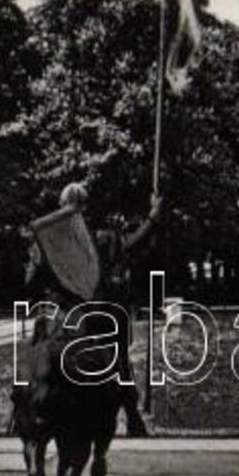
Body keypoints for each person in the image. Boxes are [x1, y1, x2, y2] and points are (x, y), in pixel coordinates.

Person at [25, 181, 163, 436]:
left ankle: (22, 404)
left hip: (59, 312)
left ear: (61, 206)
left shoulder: (46, 242)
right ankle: (132, 413)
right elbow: (133, 243)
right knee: (120, 360)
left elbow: (29, 282)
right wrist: (153, 216)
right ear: (84, 207)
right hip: (93, 314)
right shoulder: (101, 237)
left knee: (34, 351)